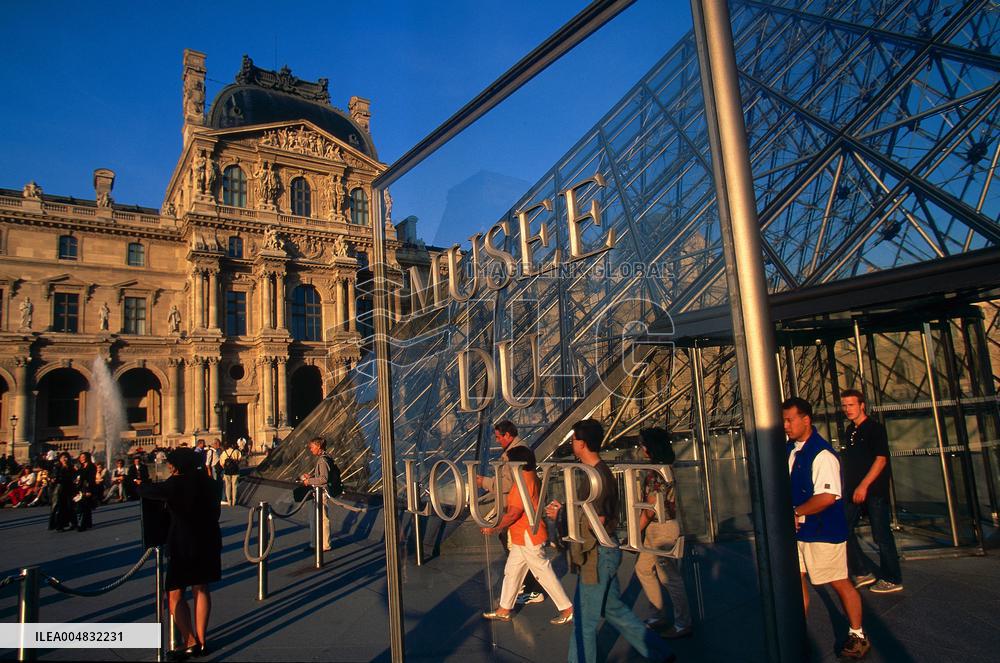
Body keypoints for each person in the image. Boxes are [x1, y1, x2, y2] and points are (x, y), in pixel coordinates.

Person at [546, 419, 674, 663]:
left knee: (583, 622)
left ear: (582, 444)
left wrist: (561, 514)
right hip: (603, 552)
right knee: (614, 611)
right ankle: (660, 652)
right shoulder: (595, 472)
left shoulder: (598, 477)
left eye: (573, 440)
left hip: (597, 556)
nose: (572, 444)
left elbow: (599, 519)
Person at [782, 397, 870, 659]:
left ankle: (858, 633)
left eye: (790, 420)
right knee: (796, 581)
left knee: (838, 581)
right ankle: (798, 632)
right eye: (784, 420)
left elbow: (827, 497)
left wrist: (795, 512)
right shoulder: (791, 450)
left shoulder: (822, 455)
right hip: (799, 531)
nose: (785, 425)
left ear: (806, 419)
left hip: (823, 532)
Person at [141, 447, 221, 659]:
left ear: (178, 465)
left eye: (171, 462)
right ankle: (202, 641)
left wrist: (139, 484)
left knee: (175, 593)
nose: (169, 465)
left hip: (183, 542)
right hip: (209, 540)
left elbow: (148, 491)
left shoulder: (173, 484)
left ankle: (189, 640)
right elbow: (216, 511)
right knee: (201, 589)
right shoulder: (209, 483)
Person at [481, 446, 574, 625]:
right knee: (512, 571)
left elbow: (514, 513)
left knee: (543, 572)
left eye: (509, 463)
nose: (507, 466)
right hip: (523, 535)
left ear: (518, 464)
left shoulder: (522, 483)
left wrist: (494, 527)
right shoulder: (532, 476)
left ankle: (567, 608)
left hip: (527, 535)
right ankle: (504, 609)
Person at [475, 421, 546, 606]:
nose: (497, 440)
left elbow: (507, 484)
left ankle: (531, 590)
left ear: (508, 435)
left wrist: (484, 482)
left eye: (499, 436)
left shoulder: (515, 454)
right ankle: (522, 592)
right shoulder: (519, 450)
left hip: (516, 508)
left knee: (522, 552)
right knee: (519, 553)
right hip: (517, 508)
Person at [840, 389, 902, 594]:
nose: (847, 409)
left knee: (881, 535)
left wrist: (864, 485)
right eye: (844, 405)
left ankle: (892, 578)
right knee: (843, 528)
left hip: (873, 491)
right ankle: (862, 570)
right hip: (854, 491)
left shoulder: (875, 429)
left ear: (862, 405)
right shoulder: (850, 431)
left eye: (851, 405)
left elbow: (881, 459)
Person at [633, 428, 692, 638]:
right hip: (658, 528)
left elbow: (651, 508)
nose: (641, 448)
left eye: (643, 444)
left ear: (650, 448)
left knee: (670, 578)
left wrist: (634, 532)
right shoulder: (662, 468)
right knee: (644, 568)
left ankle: (683, 622)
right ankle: (657, 614)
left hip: (661, 528)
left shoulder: (657, 473)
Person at [300, 437, 338, 552]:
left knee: (322, 519)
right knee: (316, 519)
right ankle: (316, 543)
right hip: (319, 492)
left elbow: (324, 479)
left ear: (318, 446)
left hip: (321, 493)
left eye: (312, 447)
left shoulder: (322, 460)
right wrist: (311, 477)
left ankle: (324, 545)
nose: (310, 449)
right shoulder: (325, 458)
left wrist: (308, 481)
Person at [48, 453, 75, 530]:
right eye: (63, 457)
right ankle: (58, 525)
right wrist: (53, 479)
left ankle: (68, 523)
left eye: (66, 457)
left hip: (68, 488)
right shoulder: (57, 467)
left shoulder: (71, 467)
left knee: (68, 506)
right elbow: (54, 477)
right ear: (60, 459)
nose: (65, 459)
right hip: (59, 489)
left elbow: (73, 477)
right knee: (58, 507)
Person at [74, 452, 98, 531]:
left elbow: (91, 479)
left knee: (82, 506)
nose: (82, 458)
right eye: (81, 457)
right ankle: (87, 523)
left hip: (87, 488)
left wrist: (89, 490)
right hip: (80, 488)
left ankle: (81, 525)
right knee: (84, 506)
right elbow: (77, 477)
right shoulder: (80, 467)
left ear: (87, 457)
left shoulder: (91, 466)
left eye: (83, 457)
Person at [219, 442, 242, 507]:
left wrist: (226, 467)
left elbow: (222, 463)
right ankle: (234, 501)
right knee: (235, 486)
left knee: (227, 486)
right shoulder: (237, 451)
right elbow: (240, 459)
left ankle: (229, 501)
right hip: (235, 471)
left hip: (227, 472)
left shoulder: (224, 453)